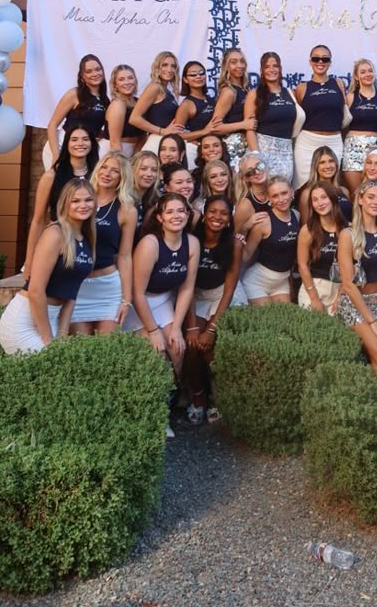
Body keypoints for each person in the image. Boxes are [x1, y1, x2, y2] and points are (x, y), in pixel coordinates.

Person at [124, 192, 201, 438]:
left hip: (164, 300)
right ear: (160, 217)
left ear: (188, 214)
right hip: (140, 304)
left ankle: (166, 406)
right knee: (155, 353)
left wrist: (177, 326)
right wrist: (153, 330)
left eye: (181, 211)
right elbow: (136, 292)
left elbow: (187, 287)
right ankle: (154, 417)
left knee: (177, 350)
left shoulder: (192, 243)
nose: (176, 216)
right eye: (170, 211)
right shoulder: (150, 244)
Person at [0, 179, 96, 354]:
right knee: (52, 366)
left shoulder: (86, 238)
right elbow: (36, 290)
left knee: (61, 366)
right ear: (64, 204)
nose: (83, 205)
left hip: (50, 317)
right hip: (25, 320)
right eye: (75, 201)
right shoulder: (55, 234)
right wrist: (48, 340)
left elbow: (72, 293)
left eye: (88, 200)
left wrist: (62, 333)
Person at [185, 195, 243, 424]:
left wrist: (211, 328)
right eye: (212, 211)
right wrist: (191, 326)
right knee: (191, 345)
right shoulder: (191, 240)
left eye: (224, 214)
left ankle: (217, 395)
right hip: (194, 295)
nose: (217, 217)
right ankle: (198, 395)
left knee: (211, 346)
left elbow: (229, 289)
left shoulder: (234, 243)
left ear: (229, 219)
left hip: (221, 296)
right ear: (204, 214)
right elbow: (187, 285)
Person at [336, 180, 377, 369]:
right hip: (357, 304)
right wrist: (372, 322)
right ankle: (370, 397)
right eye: (371, 197)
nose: (376, 202)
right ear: (360, 200)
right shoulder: (347, 235)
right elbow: (348, 284)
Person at [70, 152, 137, 336]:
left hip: (108, 288)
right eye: (104, 167)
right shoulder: (79, 199)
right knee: (79, 350)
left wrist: (126, 299)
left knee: (107, 349)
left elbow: (125, 256)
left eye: (114, 170)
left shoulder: (127, 210)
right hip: (78, 285)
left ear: (122, 177)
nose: (107, 173)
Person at [25, 124, 99, 277]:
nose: (80, 143)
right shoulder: (52, 176)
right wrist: (29, 261)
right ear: (67, 144)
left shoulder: (98, 177)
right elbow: (38, 220)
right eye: (74, 139)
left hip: (90, 247)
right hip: (59, 246)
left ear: (92, 143)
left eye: (85, 139)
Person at [293, 44, 347, 190]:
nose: (320, 62)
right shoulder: (302, 88)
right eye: (316, 58)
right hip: (307, 143)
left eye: (325, 59)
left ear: (330, 62)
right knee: (305, 186)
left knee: (331, 186)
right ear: (310, 62)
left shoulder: (339, 84)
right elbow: (296, 116)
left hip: (334, 141)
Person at [239, 176, 299, 305]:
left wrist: (291, 284)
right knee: (271, 319)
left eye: (284, 193)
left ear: (292, 192)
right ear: (270, 199)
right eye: (275, 196)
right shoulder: (264, 221)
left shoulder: (297, 215)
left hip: (281, 283)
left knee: (288, 321)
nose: (281, 199)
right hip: (257, 281)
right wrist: (243, 229)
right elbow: (245, 255)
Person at [245, 51, 301, 185]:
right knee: (262, 189)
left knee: (282, 191)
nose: (271, 69)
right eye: (267, 66)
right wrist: (256, 155)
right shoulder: (254, 94)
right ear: (261, 70)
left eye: (275, 66)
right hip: (263, 151)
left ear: (280, 69)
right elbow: (249, 127)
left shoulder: (290, 93)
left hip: (286, 152)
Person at [44, 54, 109, 168]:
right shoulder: (74, 94)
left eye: (98, 69)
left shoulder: (105, 100)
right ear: (82, 76)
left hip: (83, 149)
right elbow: (52, 124)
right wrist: (56, 154)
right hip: (62, 145)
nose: (95, 74)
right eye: (89, 71)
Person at [342, 58, 377, 194]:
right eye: (363, 72)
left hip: (376, 150)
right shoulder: (350, 97)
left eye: (370, 71)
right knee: (357, 195)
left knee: (375, 193)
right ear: (357, 77)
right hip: (353, 150)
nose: (367, 74)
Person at [297, 182, 346, 315]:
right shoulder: (308, 230)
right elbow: (302, 265)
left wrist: (341, 295)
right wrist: (314, 298)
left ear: (332, 198)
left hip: (340, 289)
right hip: (315, 287)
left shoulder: (347, 229)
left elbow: (352, 267)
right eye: (315, 200)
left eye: (324, 197)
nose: (320, 203)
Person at [130, 51, 184, 153]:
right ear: (157, 67)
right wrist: (162, 131)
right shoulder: (154, 87)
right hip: (156, 142)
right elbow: (134, 118)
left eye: (173, 66)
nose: (169, 69)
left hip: (165, 143)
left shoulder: (166, 91)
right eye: (164, 65)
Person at [210, 47, 252, 170]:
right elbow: (215, 127)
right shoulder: (229, 91)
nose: (239, 65)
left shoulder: (244, 90)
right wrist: (243, 124)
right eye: (234, 62)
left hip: (245, 147)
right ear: (226, 66)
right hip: (232, 149)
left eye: (242, 61)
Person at [175, 60, 216, 167]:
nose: (198, 76)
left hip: (215, 151)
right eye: (193, 74)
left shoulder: (210, 98)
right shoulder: (187, 105)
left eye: (201, 73)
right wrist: (204, 132)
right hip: (197, 153)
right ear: (185, 79)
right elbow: (177, 135)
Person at [98, 64, 143, 159]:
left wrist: (136, 157)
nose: (127, 82)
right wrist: (122, 164)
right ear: (115, 85)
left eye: (130, 78)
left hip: (134, 152)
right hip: (116, 152)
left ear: (135, 81)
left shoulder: (139, 102)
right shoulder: (118, 104)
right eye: (121, 79)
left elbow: (142, 135)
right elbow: (115, 143)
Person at [297, 146, 352, 224]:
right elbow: (305, 225)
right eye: (322, 162)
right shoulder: (307, 194)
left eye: (331, 161)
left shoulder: (344, 191)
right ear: (315, 166)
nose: (328, 166)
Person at [233, 151, 270, 240]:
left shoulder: (277, 188)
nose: (257, 172)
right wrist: (246, 226)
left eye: (260, 166)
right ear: (245, 178)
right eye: (250, 172)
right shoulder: (245, 205)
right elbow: (236, 239)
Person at [131, 150, 160, 239]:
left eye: (154, 170)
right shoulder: (122, 198)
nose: (149, 174)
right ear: (132, 170)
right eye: (143, 169)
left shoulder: (156, 200)